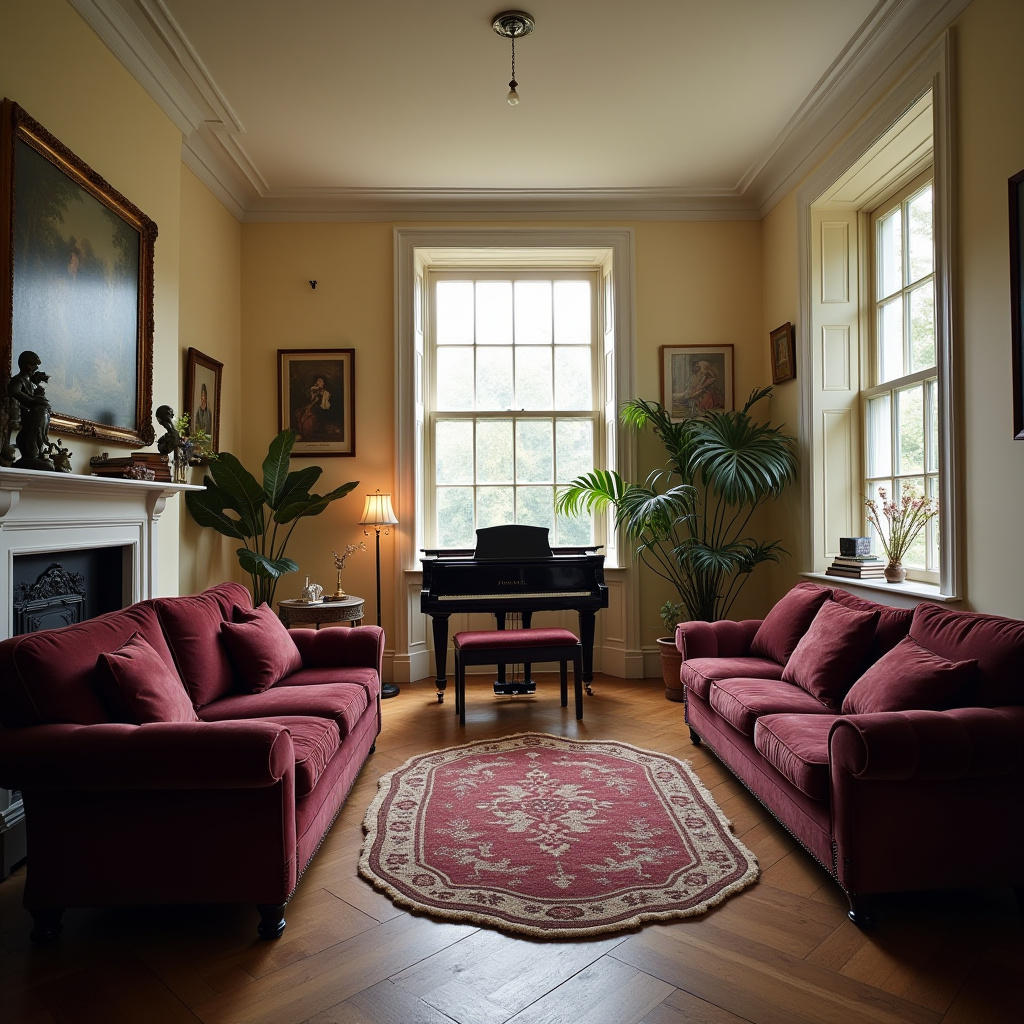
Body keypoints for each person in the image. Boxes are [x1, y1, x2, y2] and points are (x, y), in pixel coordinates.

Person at [295, 374, 331, 439]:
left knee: (308, 416)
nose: (321, 383)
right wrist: (312, 393)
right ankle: (302, 433)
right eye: (319, 381)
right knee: (299, 412)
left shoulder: (326, 392)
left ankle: (307, 433)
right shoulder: (314, 390)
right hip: (313, 406)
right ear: (316, 382)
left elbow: (325, 405)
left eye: (322, 381)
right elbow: (311, 400)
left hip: (319, 408)